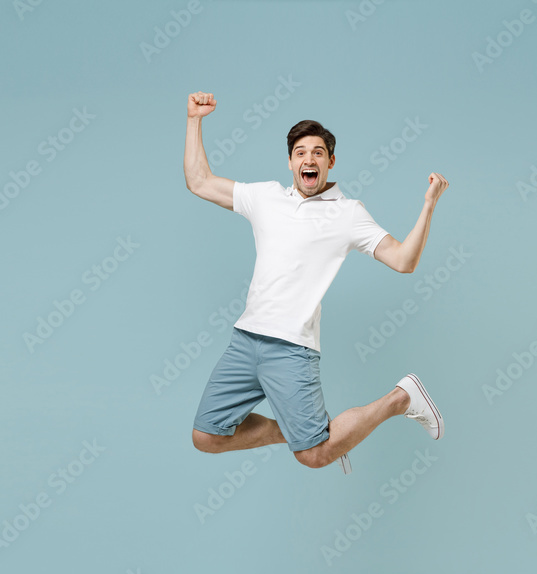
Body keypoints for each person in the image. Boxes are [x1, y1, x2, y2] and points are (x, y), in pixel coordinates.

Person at [184, 91, 448, 469]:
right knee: (207, 436)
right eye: (301, 152)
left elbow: (404, 260)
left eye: (318, 152)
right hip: (245, 340)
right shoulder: (265, 198)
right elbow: (199, 181)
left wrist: (429, 204)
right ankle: (306, 430)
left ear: (331, 162)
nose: (309, 158)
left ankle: (401, 398)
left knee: (314, 455)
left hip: (291, 348)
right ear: (291, 162)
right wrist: (195, 120)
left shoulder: (348, 214)